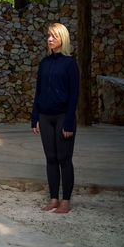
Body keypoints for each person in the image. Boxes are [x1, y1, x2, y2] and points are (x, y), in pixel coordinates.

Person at [31, 21, 79, 214]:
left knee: (64, 159)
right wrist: (35, 117)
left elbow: (74, 95)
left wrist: (68, 122)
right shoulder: (44, 63)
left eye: (54, 36)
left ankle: (65, 201)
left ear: (62, 38)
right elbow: (38, 91)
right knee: (50, 158)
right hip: (45, 116)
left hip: (62, 117)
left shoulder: (70, 64)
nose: (50, 39)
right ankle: (53, 199)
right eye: (48, 36)